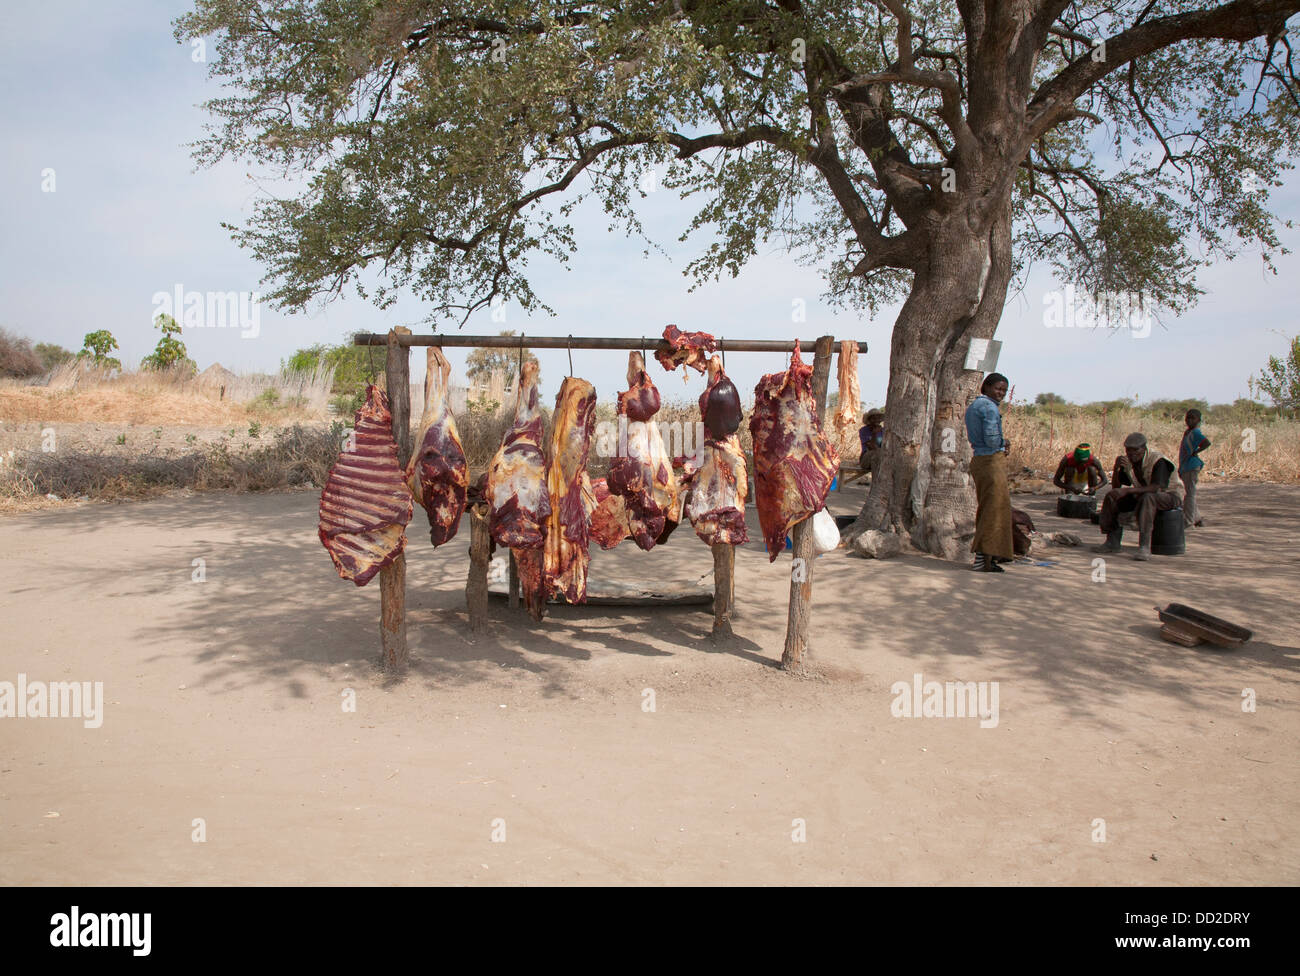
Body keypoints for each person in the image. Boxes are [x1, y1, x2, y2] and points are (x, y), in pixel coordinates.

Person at [1094, 432, 1185, 560]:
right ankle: (1112, 541)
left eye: (1135, 450)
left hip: (1170, 495)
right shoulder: (1128, 463)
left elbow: (1156, 488)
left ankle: (1144, 546)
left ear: (1144, 448)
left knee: (1148, 498)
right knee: (1112, 496)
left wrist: (1128, 491)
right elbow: (1116, 486)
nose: (1131, 453)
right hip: (1144, 494)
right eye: (1128, 450)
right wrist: (1116, 468)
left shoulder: (1158, 460)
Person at [964, 373, 1013, 573]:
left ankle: (991, 555)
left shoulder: (975, 406)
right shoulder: (989, 408)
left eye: (1004, 390)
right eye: (998, 389)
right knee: (993, 510)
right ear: (986, 387)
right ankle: (983, 558)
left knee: (990, 508)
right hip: (990, 461)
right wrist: (1004, 442)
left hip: (980, 460)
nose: (1000, 393)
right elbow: (992, 439)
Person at [1178, 409, 1211, 527]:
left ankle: (1189, 521)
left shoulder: (1195, 432)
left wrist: (1196, 451)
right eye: (1187, 418)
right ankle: (1197, 519)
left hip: (1191, 465)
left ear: (1198, 420)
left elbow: (1206, 443)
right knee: (1188, 493)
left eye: (1193, 418)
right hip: (1186, 465)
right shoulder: (1188, 432)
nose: (1189, 420)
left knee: (1190, 494)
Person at [858, 409, 885, 477]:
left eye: (878, 418)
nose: (876, 420)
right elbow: (871, 447)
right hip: (866, 459)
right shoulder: (863, 430)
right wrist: (874, 434)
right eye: (874, 418)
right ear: (869, 420)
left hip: (880, 458)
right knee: (876, 453)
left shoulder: (883, 431)